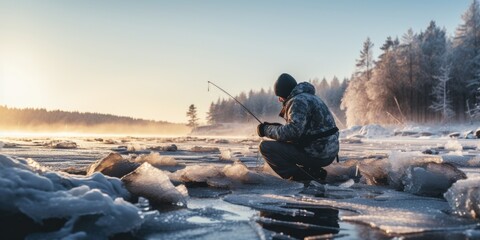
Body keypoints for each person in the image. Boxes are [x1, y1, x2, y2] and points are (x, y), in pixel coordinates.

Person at [257, 73, 339, 181]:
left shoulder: (297, 101)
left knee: (266, 147)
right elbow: (306, 130)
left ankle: (302, 177)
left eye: (280, 96)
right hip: (328, 151)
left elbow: (293, 132)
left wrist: (266, 130)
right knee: (287, 142)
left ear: (285, 93)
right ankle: (312, 171)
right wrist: (277, 127)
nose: (279, 100)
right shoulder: (310, 97)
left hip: (318, 154)